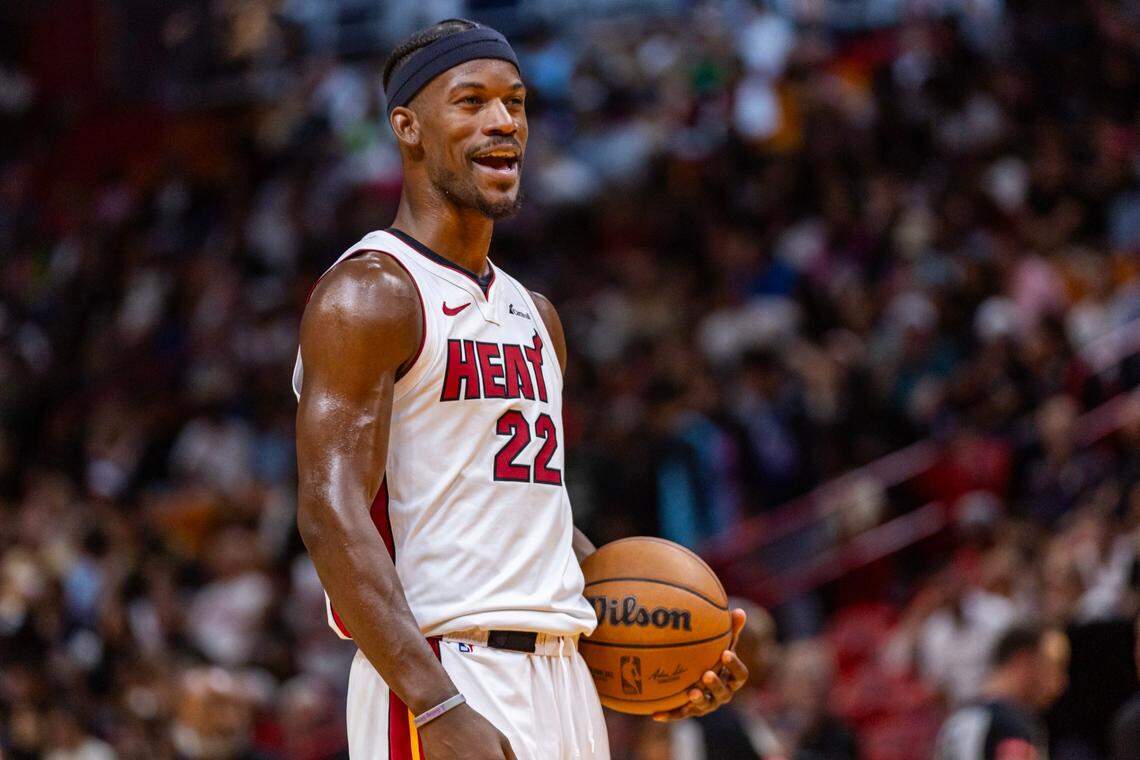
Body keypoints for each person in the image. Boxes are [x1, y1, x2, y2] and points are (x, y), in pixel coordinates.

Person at [292, 18, 749, 760]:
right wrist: (434, 703)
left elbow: (533, 522)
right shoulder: (371, 293)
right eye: (471, 102)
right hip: (443, 669)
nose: (503, 121)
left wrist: (663, 646)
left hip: (562, 677)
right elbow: (328, 510)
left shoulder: (535, 316)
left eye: (516, 103)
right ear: (407, 127)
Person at [933, 624, 1070, 760]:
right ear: (1023, 660)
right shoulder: (1012, 727)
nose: (1061, 682)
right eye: (1054, 666)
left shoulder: (958, 718)